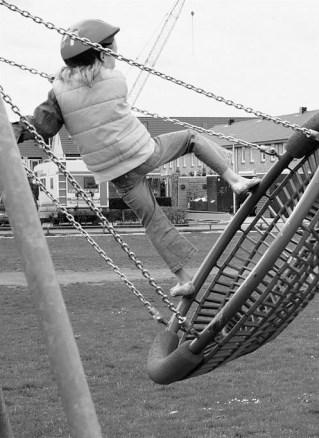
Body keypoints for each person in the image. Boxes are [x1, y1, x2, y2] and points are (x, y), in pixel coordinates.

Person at [12, 19, 260, 297]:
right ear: (102, 53)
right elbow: (100, 83)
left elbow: (44, 126)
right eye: (113, 50)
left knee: (152, 219)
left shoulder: (58, 92)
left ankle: (184, 279)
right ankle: (235, 180)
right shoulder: (114, 79)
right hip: (144, 153)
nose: (117, 54)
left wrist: (14, 131)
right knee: (191, 139)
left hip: (116, 173)